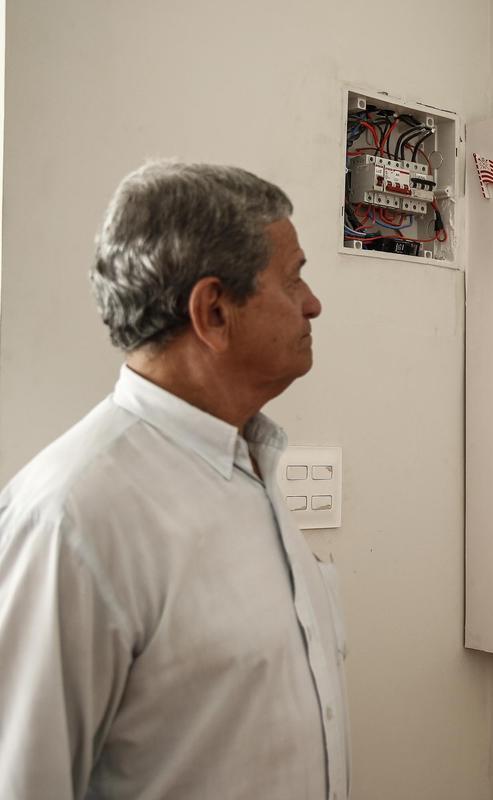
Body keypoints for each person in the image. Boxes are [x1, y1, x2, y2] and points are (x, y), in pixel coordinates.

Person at [0, 162, 349, 798]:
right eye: (293, 278)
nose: (313, 303)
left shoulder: (251, 464)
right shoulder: (70, 519)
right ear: (213, 311)